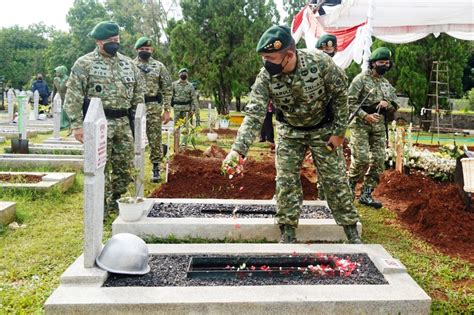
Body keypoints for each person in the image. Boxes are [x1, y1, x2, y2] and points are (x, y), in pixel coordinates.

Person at [223, 25, 361, 244]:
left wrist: (339, 133)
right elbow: (254, 114)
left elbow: (341, 97)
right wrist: (237, 150)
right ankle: (287, 233)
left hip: (323, 131)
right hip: (289, 132)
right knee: (286, 182)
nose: (266, 62)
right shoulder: (266, 77)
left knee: (335, 181)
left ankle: (351, 232)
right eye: (263, 58)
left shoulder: (320, 63)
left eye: (270, 57)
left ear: (289, 55)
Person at [64, 21, 145, 215]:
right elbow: (73, 96)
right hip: (100, 123)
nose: (114, 43)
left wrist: (138, 121)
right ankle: (99, 209)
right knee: (100, 167)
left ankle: (115, 203)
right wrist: (77, 125)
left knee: (124, 169)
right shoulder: (84, 64)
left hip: (123, 124)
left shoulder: (128, 64)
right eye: (110, 41)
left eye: (116, 40)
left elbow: (138, 95)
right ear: (99, 42)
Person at [348, 47, 399, 209]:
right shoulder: (360, 80)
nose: (385, 65)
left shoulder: (386, 84)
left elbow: (395, 104)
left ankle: (366, 194)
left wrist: (388, 104)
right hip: (361, 124)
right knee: (362, 160)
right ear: (373, 63)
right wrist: (365, 115)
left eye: (387, 63)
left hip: (378, 126)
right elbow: (350, 102)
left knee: (378, 160)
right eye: (381, 62)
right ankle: (349, 188)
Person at [133, 36, 172, 183]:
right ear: (137, 50)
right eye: (142, 49)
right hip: (134, 107)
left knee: (155, 138)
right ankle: (132, 168)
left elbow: (167, 88)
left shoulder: (159, 66)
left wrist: (167, 109)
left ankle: (156, 168)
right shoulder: (130, 65)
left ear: (152, 50)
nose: (145, 51)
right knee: (132, 137)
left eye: (147, 49)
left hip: (153, 107)